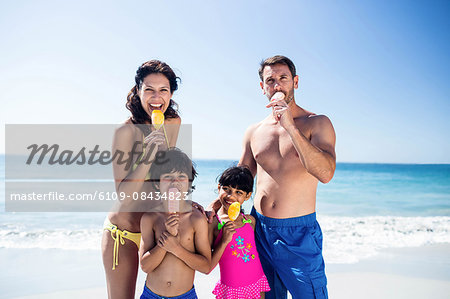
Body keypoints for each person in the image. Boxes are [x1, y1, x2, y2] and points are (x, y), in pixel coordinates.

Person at [239, 55, 336, 299]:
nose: (277, 85)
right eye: (270, 80)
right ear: (262, 87)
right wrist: (215, 206)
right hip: (258, 229)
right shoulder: (254, 131)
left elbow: (325, 173)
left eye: (283, 78)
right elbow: (241, 183)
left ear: (295, 81)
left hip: (298, 235)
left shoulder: (317, 123)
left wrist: (290, 126)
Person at [102, 60, 182, 299]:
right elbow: (124, 196)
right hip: (123, 234)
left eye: (163, 90)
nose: (156, 97)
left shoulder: (173, 123)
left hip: (157, 230)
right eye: (149, 89)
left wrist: (186, 204)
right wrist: (147, 155)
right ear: (138, 91)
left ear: (171, 94)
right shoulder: (125, 131)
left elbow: (167, 178)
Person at [139, 148, 211, 299]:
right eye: (168, 177)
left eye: (181, 177)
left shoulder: (196, 219)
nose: (175, 182)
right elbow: (145, 266)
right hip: (151, 295)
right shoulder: (150, 218)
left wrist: (176, 248)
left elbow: (205, 267)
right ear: (157, 183)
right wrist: (166, 239)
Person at [208, 166, 270, 299]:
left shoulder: (250, 221)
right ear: (219, 188)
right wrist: (224, 240)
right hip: (231, 289)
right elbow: (208, 264)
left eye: (239, 192)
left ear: (247, 196)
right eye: (226, 189)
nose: (231, 196)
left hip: (256, 284)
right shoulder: (213, 224)